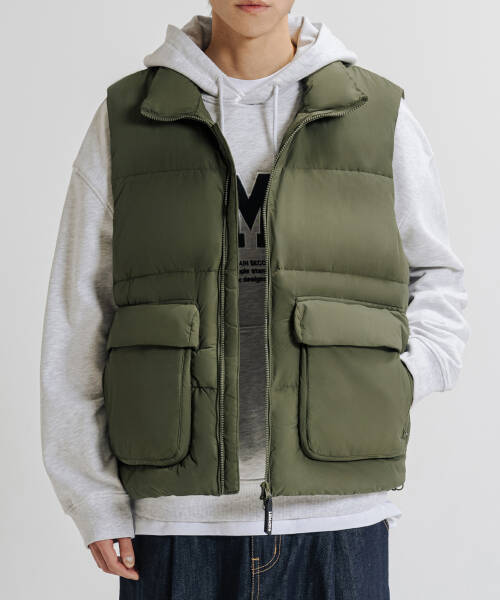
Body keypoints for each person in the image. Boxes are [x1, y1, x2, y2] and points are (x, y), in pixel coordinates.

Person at [40, 1, 470, 598]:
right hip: (175, 523)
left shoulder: (377, 114)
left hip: (338, 519)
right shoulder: (129, 118)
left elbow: (438, 279)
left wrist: (391, 381)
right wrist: (91, 495)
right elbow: (79, 310)